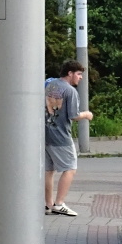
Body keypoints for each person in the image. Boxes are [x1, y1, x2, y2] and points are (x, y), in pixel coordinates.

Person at [44, 59, 93, 216]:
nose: (81, 77)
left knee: (48, 170)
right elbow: (73, 115)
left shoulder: (50, 85)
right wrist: (86, 114)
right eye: (78, 74)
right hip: (60, 136)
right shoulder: (70, 91)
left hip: (45, 134)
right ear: (70, 73)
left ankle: (48, 204)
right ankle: (59, 204)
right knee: (70, 168)